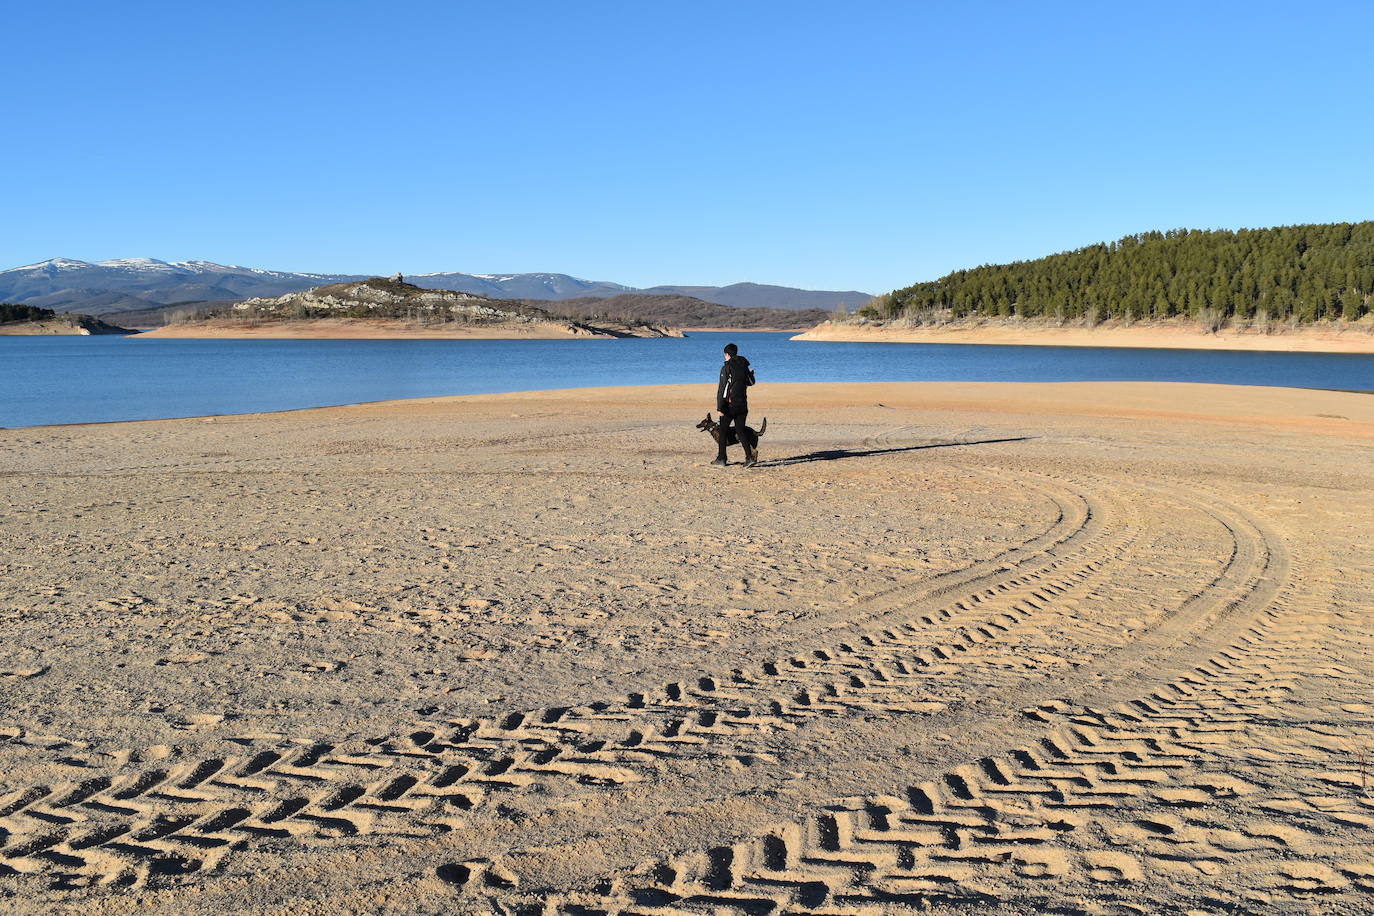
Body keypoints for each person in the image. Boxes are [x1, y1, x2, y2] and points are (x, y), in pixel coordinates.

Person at [713, 342, 756, 467]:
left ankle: (721, 459)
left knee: (723, 431)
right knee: (740, 431)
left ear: (727, 354)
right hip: (743, 404)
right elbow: (751, 382)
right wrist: (751, 374)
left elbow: (722, 389)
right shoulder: (744, 365)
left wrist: (719, 407)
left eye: (724, 355)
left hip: (729, 405)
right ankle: (749, 457)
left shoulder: (726, 367)